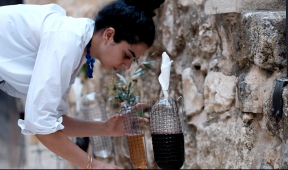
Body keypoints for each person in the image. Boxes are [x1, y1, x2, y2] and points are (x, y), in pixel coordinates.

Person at [0, 0, 165, 169]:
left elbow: (53, 120)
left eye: (133, 60)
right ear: (108, 35)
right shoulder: (67, 39)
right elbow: (40, 125)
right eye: (127, 55)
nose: (127, 66)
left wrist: (105, 128)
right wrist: (94, 165)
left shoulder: (76, 44)